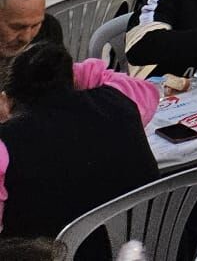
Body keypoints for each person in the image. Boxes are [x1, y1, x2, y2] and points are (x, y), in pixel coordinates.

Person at [0, 42, 162, 258]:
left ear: (6, 100)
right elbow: (146, 91)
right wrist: (64, 70)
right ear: (74, 81)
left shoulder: (7, 144)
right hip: (143, 249)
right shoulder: (121, 100)